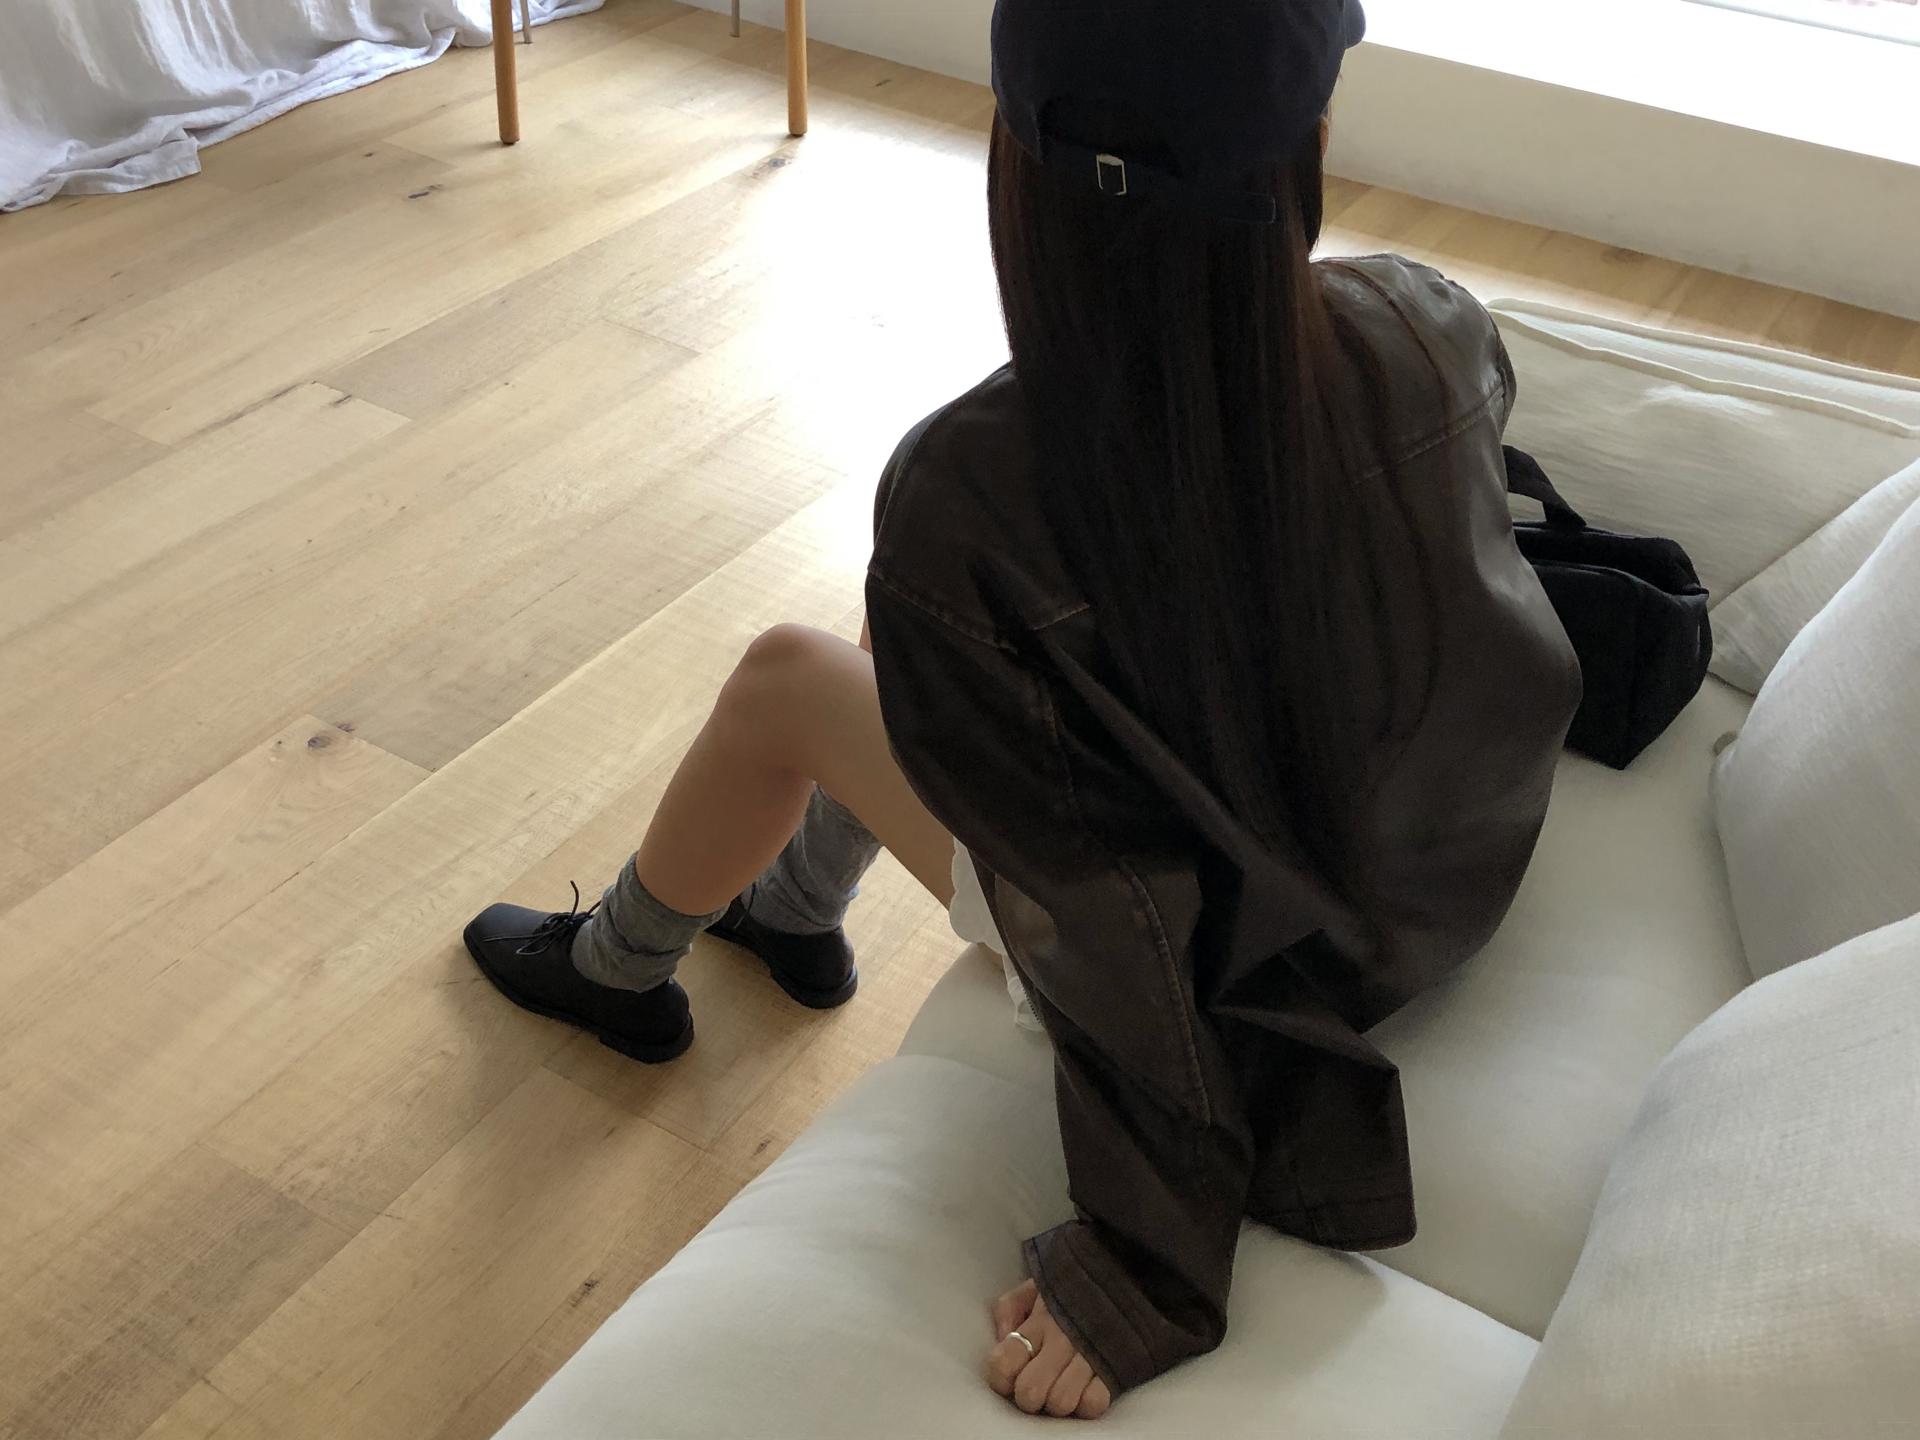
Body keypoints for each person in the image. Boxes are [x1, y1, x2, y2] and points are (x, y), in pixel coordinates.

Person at [462, 0, 1582, 1419]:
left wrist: (1149, 1264)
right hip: (1414, 873)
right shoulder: (1422, 317)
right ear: (1308, 135)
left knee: (788, 678)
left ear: (1018, 170)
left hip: (1237, 957)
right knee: (926, 612)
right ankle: (797, 909)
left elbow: (1117, 924)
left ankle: (615, 968)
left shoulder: (978, 482)